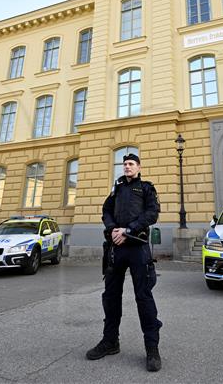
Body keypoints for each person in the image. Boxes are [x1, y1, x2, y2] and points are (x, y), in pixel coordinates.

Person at [86, 152, 162, 372]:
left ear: (138, 167)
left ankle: (152, 349)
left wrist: (128, 230)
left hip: (137, 247)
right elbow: (106, 211)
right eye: (124, 164)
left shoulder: (146, 188)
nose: (127, 166)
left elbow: (152, 213)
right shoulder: (117, 189)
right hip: (116, 248)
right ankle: (110, 342)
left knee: (144, 297)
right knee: (110, 297)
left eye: (131, 164)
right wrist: (113, 230)